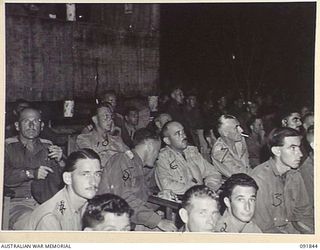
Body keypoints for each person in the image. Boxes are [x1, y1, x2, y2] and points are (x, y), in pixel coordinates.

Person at [98, 128, 177, 232]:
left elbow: (138, 204)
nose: (157, 156)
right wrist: (158, 221)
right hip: (112, 225)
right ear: (150, 145)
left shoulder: (137, 166)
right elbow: (122, 200)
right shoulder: (122, 160)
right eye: (157, 151)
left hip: (128, 222)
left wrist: (160, 200)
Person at [4, 107, 64, 230]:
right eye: (26, 121)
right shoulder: (7, 146)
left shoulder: (49, 146)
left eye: (36, 121)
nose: (31, 125)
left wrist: (61, 161)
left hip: (47, 202)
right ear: (17, 125)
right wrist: (30, 173)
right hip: (17, 203)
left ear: (41, 126)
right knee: (38, 224)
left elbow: (63, 181)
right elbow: (4, 177)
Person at [251, 127, 314, 234]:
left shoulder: (294, 174)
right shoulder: (259, 179)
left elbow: (304, 213)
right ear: (277, 151)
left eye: (299, 147)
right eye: (293, 148)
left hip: (292, 230)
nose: (300, 154)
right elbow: (264, 227)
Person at [23, 148, 102, 230]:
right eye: (85, 174)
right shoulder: (51, 218)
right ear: (68, 178)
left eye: (97, 174)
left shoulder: (85, 207)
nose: (93, 182)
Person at [155, 121, 222, 195]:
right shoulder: (162, 158)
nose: (183, 136)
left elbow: (213, 173)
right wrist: (195, 190)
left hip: (202, 196)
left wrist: (209, 187)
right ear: (167, 140)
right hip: (181, 200)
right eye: (177, 134)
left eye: (183, 132)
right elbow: (166, 185)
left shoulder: (192, 151)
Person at [77, 102, 128, 167]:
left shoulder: (117, 139)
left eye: (111, 116)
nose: (110, 120)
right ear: (95, 119)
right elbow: (95, 162)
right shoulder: (84, 139)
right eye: (106, 116)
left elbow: (131, 157)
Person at [211, 115, 250, 179]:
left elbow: (247, 165)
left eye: (239, 126)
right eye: (236, 127)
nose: (241, 130)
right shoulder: (219, 152)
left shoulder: (240, 140)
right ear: (225, 133)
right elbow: (239, 174)